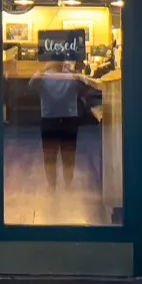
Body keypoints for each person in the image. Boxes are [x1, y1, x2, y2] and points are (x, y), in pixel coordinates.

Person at [28, 60, 100, 189]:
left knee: (50, 155)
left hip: (49, 118)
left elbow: (31, 85)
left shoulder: (43, 77)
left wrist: (43, 70)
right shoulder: (71, 77)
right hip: (69, 118)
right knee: (68, 154)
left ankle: (52, 185)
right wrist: (74, 71)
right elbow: (85, 87)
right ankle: (68, 184)